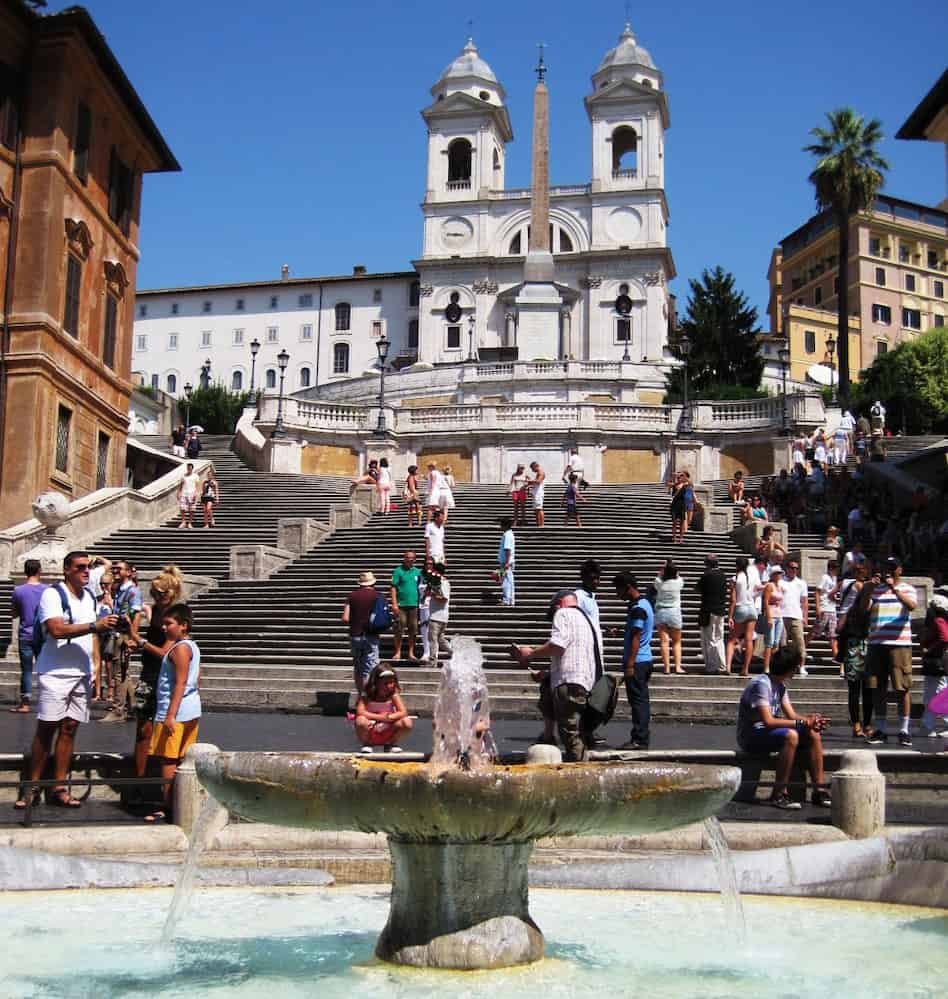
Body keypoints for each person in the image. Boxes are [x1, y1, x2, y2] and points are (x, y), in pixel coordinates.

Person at [15, 552, 118, 810]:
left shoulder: (89, 599)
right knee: (47, 728)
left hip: (80, 672)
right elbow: (57, 629)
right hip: (55, 672)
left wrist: (94, 667)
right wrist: (95, 626)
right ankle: (32, 784)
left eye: (88, 567)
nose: (86, 571)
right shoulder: (53, 594)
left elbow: (93, 636)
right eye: (80, 567)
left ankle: (59, 785)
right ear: (67, 570)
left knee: (70, 727)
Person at [736, 647, 832, 809]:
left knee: (813, 732)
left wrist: (811, 721)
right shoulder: (761, 684)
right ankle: (778, 794)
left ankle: (818, 790)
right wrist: (802, 723)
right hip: (750, 735)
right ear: (790, 669)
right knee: (791, 736)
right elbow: (768, 721)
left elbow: (792, 716)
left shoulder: (780, 686)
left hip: (766, 733)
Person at [136, 603, 201, 823]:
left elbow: (180, 683)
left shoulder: (180, 649)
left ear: (183, 626)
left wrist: (170, 716)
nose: (164, 627)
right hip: (190, 710)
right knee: (181, 758)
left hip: (176, 714)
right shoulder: (192, 646)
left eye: (168, 623)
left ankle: (171, 806)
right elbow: (196, 680)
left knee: (169, 760)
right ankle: (178, 804)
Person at [514, 590, 596, 762]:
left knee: (570, 735)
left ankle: (579, 774)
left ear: (559, 604)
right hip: (583, 681)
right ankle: (555, 743)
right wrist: (549, 674)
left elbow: (558, 645)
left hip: (568, 682)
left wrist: (531, 653)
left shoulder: (563, 613)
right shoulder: (588, 620)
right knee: (575, 731)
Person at [129, 565, 184, 776]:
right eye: (154, 592)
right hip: (149, 674)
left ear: (173, 591)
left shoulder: (176, 616)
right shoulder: (155, 611)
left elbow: (166, 652)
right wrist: (138, 644)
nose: (158, 596)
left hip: (168, 677)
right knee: (143, 729)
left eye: (162, 592)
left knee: (169, 729)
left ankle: (168, 784)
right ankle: (138, 780)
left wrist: (139, 641)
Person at [866, 557, 917, 746]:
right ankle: (881, 729)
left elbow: (911, 606)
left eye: (892, 568)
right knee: (877, 687)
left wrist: (893, 589)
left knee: (902, 687)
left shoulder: (907, 588)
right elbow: (864, 610)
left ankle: (904, 729)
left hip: (899, 644)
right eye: (886, 567)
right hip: (876, 643)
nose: (889, 571)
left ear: (899, 570)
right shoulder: (875, 590)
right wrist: (868, 589)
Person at [613, 572, 654, 750]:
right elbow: (637, 632)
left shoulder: (638, 608)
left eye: (618, 589)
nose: (617, 594)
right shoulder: (645, 603)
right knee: (640, 701)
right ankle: (640, 737)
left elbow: (637, 636)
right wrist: (622, 632)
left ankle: (639, 739)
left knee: (638, 702)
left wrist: (629, 664)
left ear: (628, 587)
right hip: (645, 659)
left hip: (637, 661)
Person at [837, 565, 874, 738]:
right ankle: (857, 724)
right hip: (855, 647)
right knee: (855, 689)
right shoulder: (854, 611)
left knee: (868, 690)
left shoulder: (871, 608)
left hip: (868, 647)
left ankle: (866, 723)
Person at [10, 559, 45, 714]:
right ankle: (46, 700)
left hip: (25, 633)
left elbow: (14, 613)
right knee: (44, 668)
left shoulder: (19, 590)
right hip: (42, 634)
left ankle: (25, 704)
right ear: (39, 571)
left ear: (25, 571)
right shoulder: (47, 589)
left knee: (26, 669)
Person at [354, 665, 413, 754]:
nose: (389, 686)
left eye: (392, 682)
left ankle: (390, 743)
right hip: (371, 728)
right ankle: (367, 744)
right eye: (385, 683)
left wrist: (389, 717)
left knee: (407, 722)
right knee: (360, 720)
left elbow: (403, 712)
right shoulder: (367, 696)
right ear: (376, 683)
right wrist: (381, 717)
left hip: (388, 728)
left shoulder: (393, 695)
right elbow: (360, 712)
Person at [342, 571, 382, 695]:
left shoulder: (352, 596)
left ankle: (360, 696)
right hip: (371, 634)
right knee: (371, 667)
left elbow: (345, 618)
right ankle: (367, 698)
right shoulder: (378, 595)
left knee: (358, 668)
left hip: (355, 635)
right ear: (373, 582)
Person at [919, 590, 948, 738]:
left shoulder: (938, 621)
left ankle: (930, 725)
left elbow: (944, 638)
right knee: (932, 694)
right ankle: (927, 725)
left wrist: (929, 649)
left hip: (936, 661)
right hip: (936, 661)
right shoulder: (940, 620)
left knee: (938, 693)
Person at [726, 557, 758, 677]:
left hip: (740, 608)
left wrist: (730, 616)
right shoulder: (751, 578)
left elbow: (733, 600)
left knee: (731, 639)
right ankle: (745, 669)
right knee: (749, 640)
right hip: (751, 608)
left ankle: (728, 667)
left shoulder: (735, 579)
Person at [697, 555, 727, 674]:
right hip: (720, 610)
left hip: (708, 610)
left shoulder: (706, 575)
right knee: (719, 638)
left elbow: (698, 588)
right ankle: (722, 664)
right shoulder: (723, 575)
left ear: (707, 564)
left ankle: (711, 666)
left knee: (709, 639)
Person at [654, 559, 685, 675]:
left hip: (661, 612)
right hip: (674, 612)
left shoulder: (658, 582)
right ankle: (677, 667)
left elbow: (658, 576)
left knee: (664, 641)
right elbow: (678, 576)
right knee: (676, 641)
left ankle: (666, 668)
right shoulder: (679, 582)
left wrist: (663, 570)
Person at [390, 550, 421, 662]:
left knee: (413, 630)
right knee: (399, 629)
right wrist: (394, 604)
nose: (410, 559)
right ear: (404, 558)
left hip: (414, 605)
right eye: (408, 557)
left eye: (412, 558)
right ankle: (397, 652)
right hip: (401, 605)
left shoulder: (418, 572)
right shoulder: (398, 571)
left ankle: (411, 653)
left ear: (415, 559)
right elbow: (393, 587)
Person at [780, 560, 809, 678]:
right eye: (792, 567)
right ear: (787, 568)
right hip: (782, 615)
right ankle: (783, 666)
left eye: (796, 568)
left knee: (800, 643)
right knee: (783, 644)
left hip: (796, 615)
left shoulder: (801, 583)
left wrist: (805, 616)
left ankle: (801, 666)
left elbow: (804, 601)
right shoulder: (781, 582)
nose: (794, 570)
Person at [812, 559, 840, 668]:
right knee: (815, 632)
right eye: (836, 569)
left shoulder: (835, 578)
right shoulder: (825, 577)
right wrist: (818, 607)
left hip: (832, 609)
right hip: (824, 608)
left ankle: (836, 658)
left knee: (833, 636)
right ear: (831, 568)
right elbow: (817, 592)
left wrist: (837, 600)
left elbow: (831, 594)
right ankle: (802, 648)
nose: (837, 571)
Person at [425, 564, 452, 668]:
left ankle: (432, 661)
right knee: (440, 639)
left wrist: (432, 594)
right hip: (440, 616)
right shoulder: (437, 582)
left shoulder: (443, 583)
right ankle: (454, 653)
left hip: (437, 616)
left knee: (433, 639)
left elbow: (444, 598)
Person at [761, 565, 785, 674]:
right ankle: (766, 667)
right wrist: (769, 617)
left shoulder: (779, 586)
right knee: (769, 642)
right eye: (777, 573)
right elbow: (765, 601)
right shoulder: (769, 585)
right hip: (771, 615)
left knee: (776, 643)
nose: (779, 575)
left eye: (780, 573)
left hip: (779, 615)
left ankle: (773, 665)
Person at [497, 516, 516, 606]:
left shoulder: (507, 535)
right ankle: (510, 600)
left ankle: (506, 600)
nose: (500, 526)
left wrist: (507, 562)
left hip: (506, 562)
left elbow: (507, 549)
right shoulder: (510, 534)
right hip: (507, 562)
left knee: (506, 581)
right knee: (509, 580)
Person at [177, 462, 201, 529]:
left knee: (191, 509)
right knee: (182, 508)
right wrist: (178, 493)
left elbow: (197, 486)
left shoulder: (196, 476)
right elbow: (181, 485)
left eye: (190, 468)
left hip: (192, 493)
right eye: (188, 468)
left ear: (192, 468)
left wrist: (196, 494)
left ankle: (190, 523)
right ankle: (183, 522)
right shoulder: (183, 476)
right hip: (184, 493)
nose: (189, 469)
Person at [528, 461, 546, 528]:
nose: (532, 470)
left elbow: (538, 481)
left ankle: (541, 524)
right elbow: (536, 483)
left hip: (538, 493)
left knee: (539, 508)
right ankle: (538, 523)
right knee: (536, 509)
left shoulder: (541, 472)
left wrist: (529, 481)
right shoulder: (538, 473)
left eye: (532, 468)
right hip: (536, 492)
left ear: (536, 466)